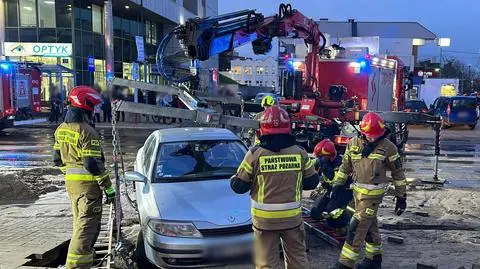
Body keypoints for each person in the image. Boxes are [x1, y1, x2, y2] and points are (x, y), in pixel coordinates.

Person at [231, 106, 320, 269]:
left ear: (262, 129)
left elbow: (238, 186)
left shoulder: (255, 154)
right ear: (288, 128)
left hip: (264, 221)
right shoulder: (299, 152)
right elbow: (312, 182)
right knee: (298, 260)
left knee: (266, 263)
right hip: (292, 219)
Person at [331, 112, 407, 269]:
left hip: (373, 198)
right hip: (356, 194)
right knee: (369, 227)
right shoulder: (353, 144)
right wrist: (337, 185)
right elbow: (345, 167)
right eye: (369, 136)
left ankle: (345, 264)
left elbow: (398, 173)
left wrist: (401, 196)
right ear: (362, 132)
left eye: (375, 136)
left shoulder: (388, 147)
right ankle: (374, 259)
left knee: (356, 228)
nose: (372, 138)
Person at [53, 86, 115, 269]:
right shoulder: (87, 132)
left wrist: (72, 177)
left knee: (79, 225)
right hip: (88, 189)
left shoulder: (61, 129)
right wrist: (108, 188)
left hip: (72, 187)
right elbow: (92, 164)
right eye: (93, 107)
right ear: (85, 105)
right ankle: (76, 266)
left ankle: (83, 259)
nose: (95, 111)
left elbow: (57, 160)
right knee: (86, 229)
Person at [309, 139, 353, 233]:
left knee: (332, 211)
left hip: (343, 190)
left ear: (330, 155)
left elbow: (336, 180)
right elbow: (309, 164)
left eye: (322, 157)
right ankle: (331, 218)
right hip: (330, 190)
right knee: (315, 213)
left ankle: (345, 223)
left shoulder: (340, 163)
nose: (320, 159)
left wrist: (326, 168)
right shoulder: (323, 161)